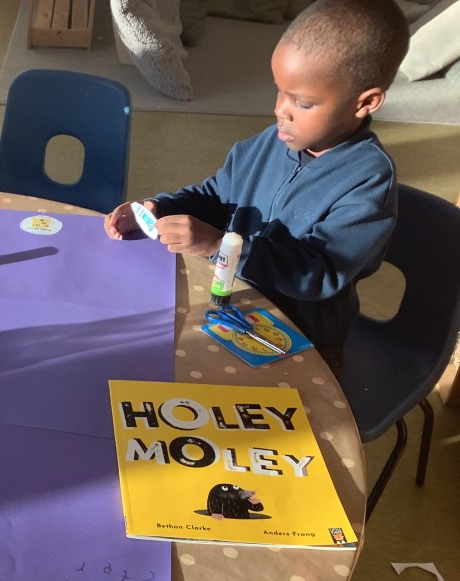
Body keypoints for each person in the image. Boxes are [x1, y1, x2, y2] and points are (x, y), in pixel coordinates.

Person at [103, 0, 410, 374]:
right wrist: (159, 209)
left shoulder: (369, 180)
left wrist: (221, 247)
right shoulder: (273, 141)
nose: (281, 110)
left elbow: (319, 272)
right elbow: (216, 196)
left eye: (302, 102)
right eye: (280, 91)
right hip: (231, 304)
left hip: (300, 339)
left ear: (366, 102)